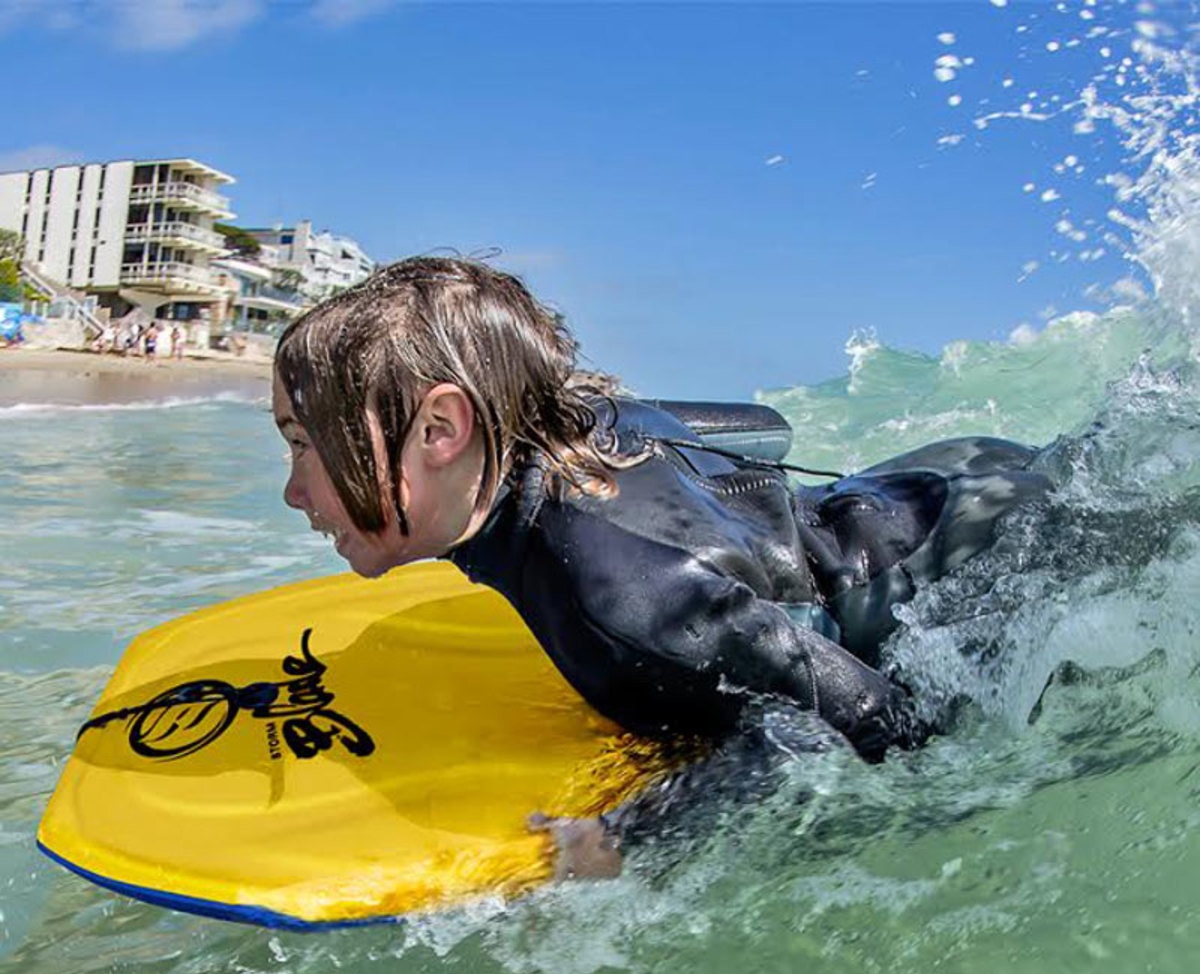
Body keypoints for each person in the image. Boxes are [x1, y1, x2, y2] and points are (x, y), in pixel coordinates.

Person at [272, 257, 1049, 877]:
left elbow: (879, 727)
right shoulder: (565, 422)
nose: (293, 489)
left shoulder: (621, 600)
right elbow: (764, 432)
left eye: (304, 443)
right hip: (942, 477)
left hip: (996, 543)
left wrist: (624, 840)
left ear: (441, 427)